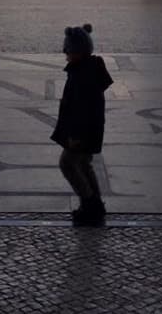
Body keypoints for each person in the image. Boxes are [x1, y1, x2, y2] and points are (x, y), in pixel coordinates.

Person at [51, 23, 113, 225]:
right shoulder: (87, 70)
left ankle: (89, 203)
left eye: (68, 49)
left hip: (82, 133)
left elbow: (82, 110)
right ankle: (95, 204)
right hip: (90, 131)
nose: (65, 53)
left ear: (78, 51)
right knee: (84, 164)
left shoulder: (82, 76)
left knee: (67, 164)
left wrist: (75, 135)